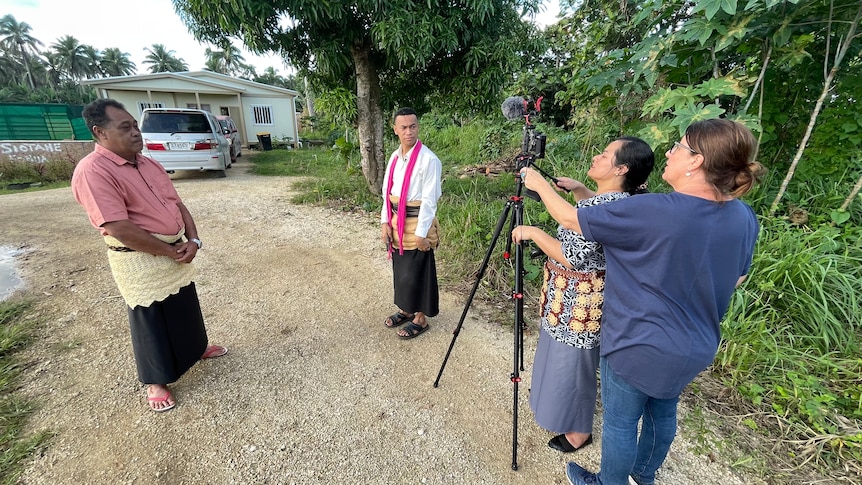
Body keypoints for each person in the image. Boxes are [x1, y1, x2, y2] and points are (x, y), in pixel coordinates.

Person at [514, 119, 765, 485]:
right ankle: (643, 476)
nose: (670, 152)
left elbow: (571, 218)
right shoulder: (743, 216)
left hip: (637, 340)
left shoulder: (656, 209)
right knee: (662, 413)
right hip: (696, 342)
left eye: (679, 147)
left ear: (697, 162)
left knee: (620, 420)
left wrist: (536, 183)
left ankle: (609, 482)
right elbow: (739, 276)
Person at [71, 99, 228, 413]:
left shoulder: (148, 163)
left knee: (184, 304)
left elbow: (178, 204)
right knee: (150, 317)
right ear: (100, 132)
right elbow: (117, 227)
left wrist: (193, 240)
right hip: (138, 258)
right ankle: (157, 381)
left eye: (135, 125)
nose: (135, 133)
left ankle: (196, 349)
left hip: (176, 249)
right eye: (125, 127)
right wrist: (169, 250)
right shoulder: (93, 171)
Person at [513, 137, 654, 454]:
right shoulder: (625, 201)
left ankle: (578, 431)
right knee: (569, 360)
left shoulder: (602, 207)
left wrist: (533, 231)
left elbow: (570, 254)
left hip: (578, 303)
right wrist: (579, 189)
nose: (596, 155)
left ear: (621, 168)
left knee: (572, 364)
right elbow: (595, 216)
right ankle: (563, 415)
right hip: (580, 299)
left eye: (604, 154)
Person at [380, 108, 443, 339]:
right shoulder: (395, 158)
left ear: (418, 127)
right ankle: (406, 309)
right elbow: (386, 192)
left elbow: (429, 200)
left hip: (418, 220)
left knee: (419, 269)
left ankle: (421, 318)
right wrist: (385, 221)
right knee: (402, 270)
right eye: (404, 127)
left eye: (413, 126)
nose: (409, 132)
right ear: (395, 129)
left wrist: (421, 232)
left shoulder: (429, 160)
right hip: (397, 220)